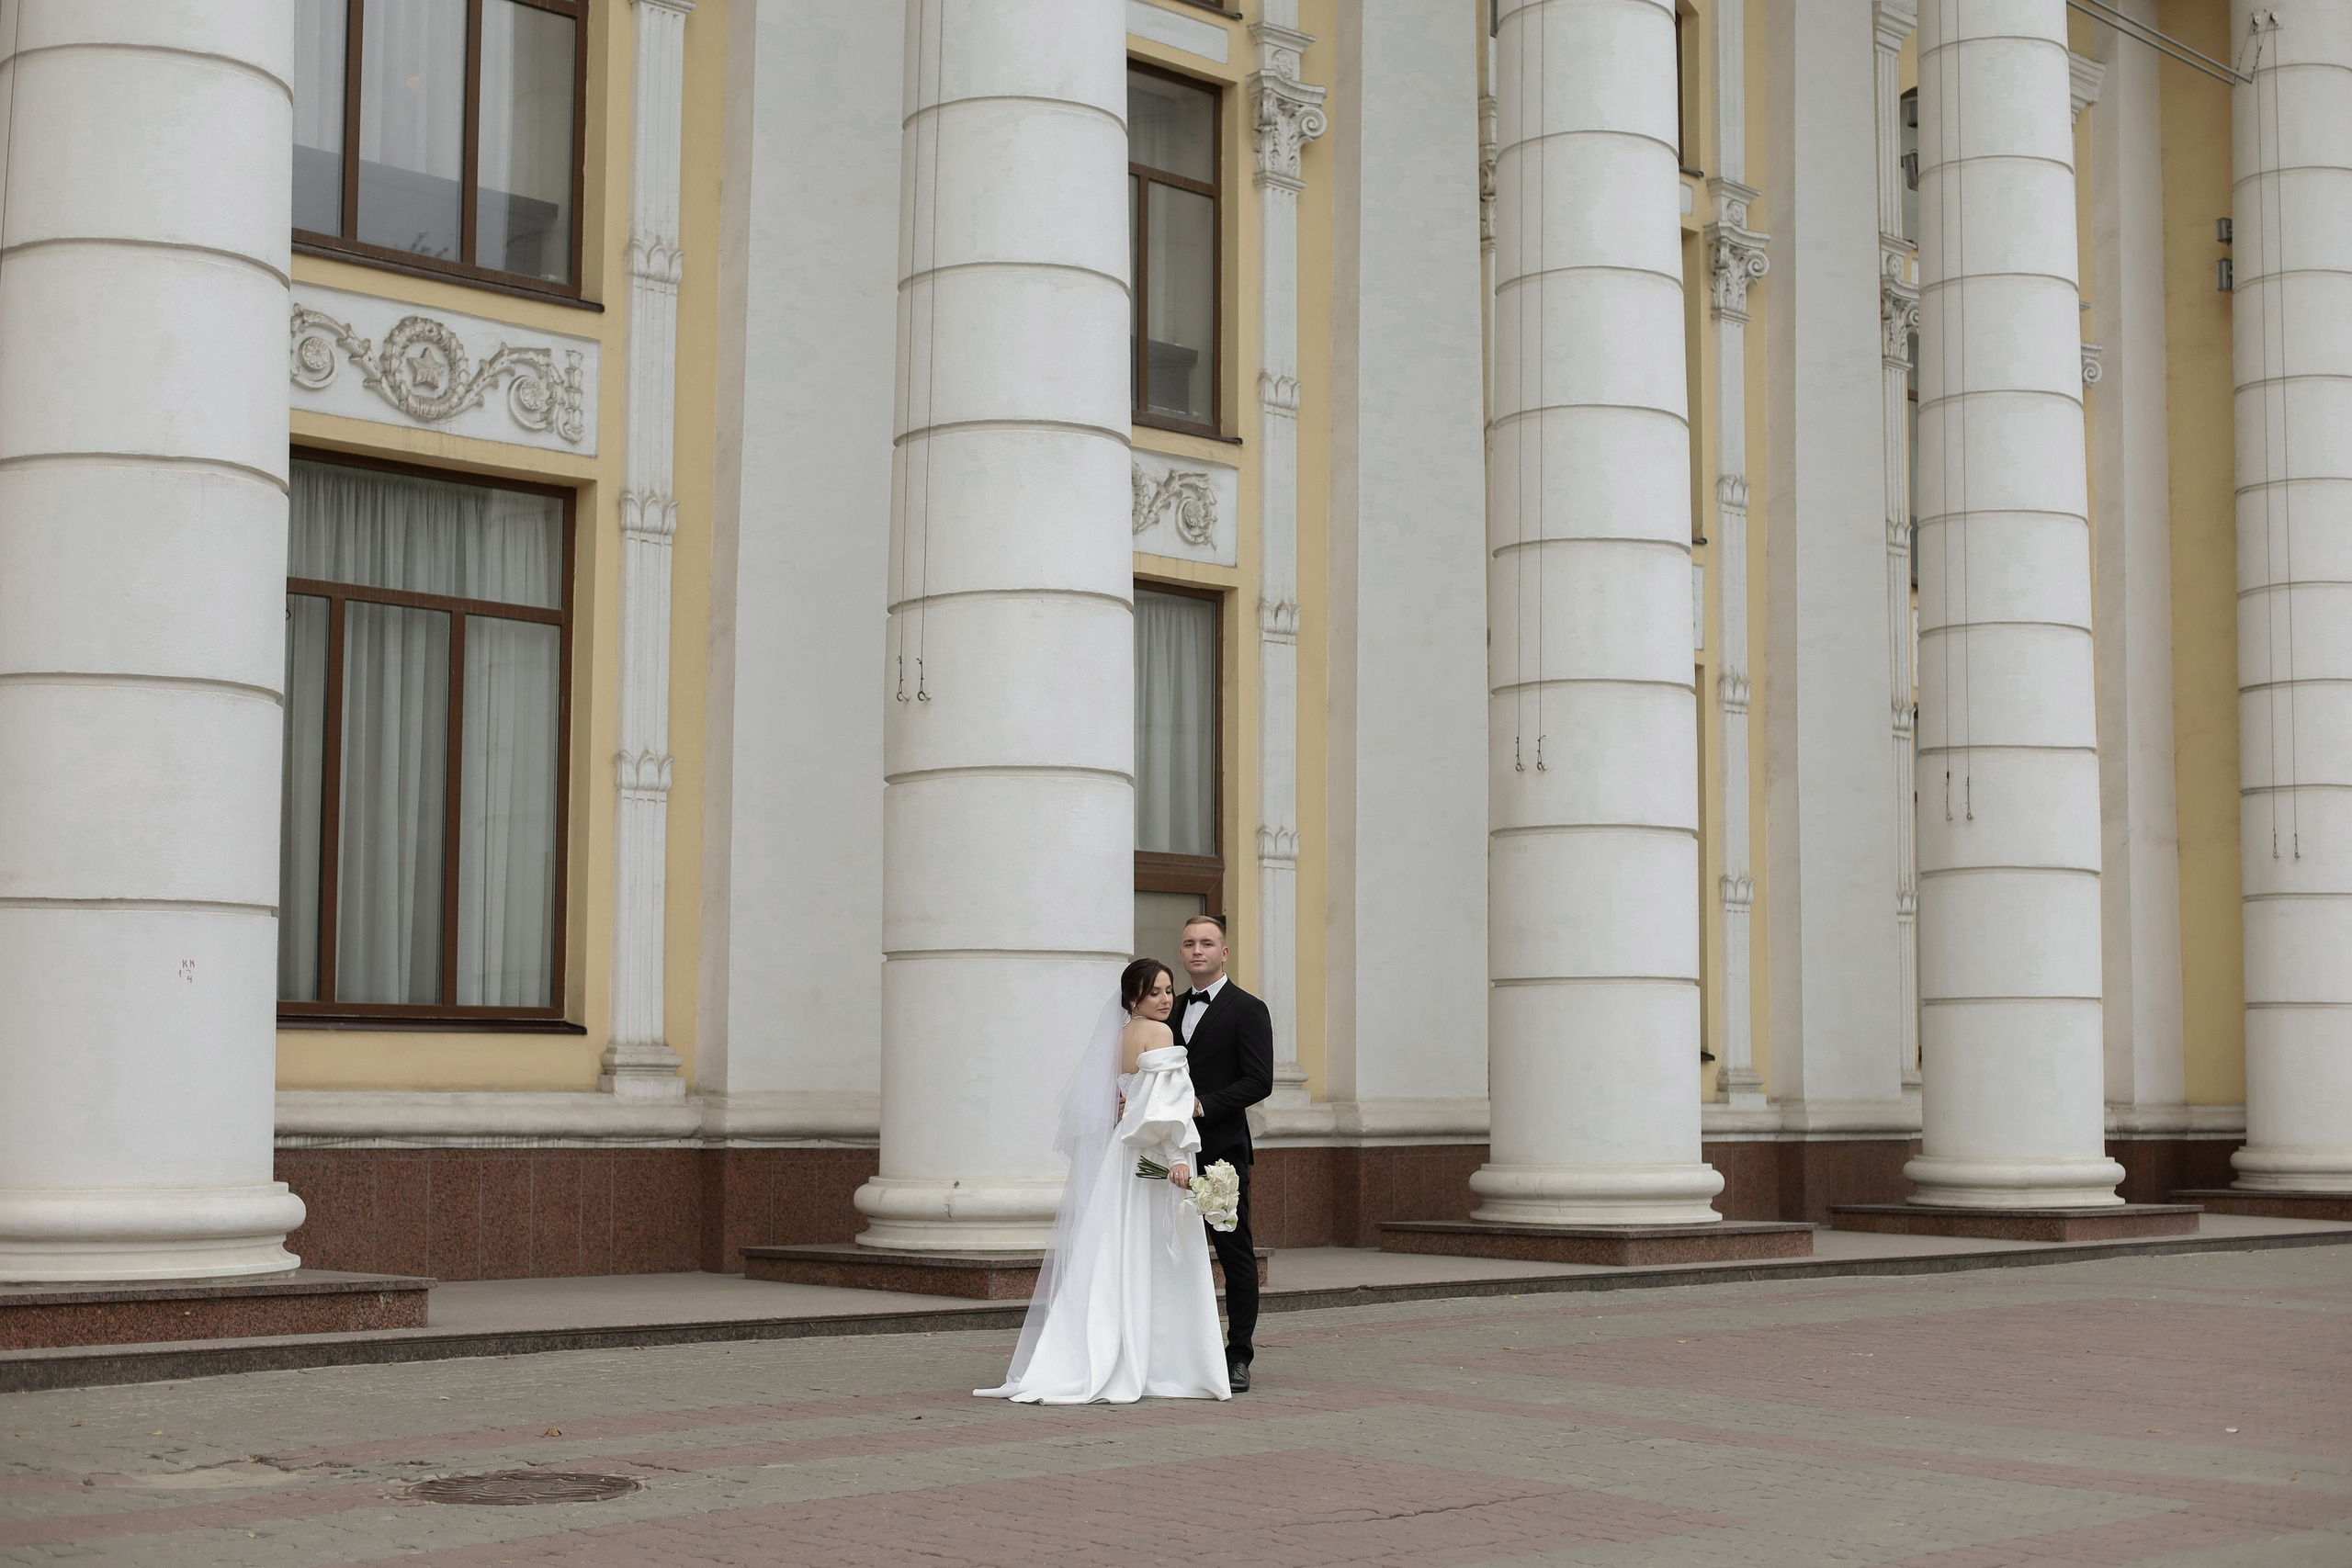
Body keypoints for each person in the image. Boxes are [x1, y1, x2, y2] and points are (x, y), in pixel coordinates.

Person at [972, 958, 1230, 1404]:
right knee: (1156, 1252)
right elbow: (1165, 1106)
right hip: (1154, 1156)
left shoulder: (1122, 1036)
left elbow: (1129, 1101)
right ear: (1133, 998)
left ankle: (1107, 1350)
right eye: (1155, 992)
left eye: (1169, 990)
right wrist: (1176, 1158)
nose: (1166, 999)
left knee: (1116, 1248)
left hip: (1123, 1156)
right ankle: (1165, 1365)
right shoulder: (1161, 1034)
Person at [1170, 914, 1272, 1393]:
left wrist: (1203, 1106)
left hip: (1221, 1153)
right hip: (1170, 1153)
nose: (1197, 951)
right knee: (1169, 1249)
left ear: (1224, 952)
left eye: (1207, 943)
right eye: (1190, 943)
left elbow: (1259, 1080)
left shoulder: (1248, 1009)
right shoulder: (1167, 1010)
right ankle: (1177, 1349)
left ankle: (1239, 1356)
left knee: (1234, 1254)